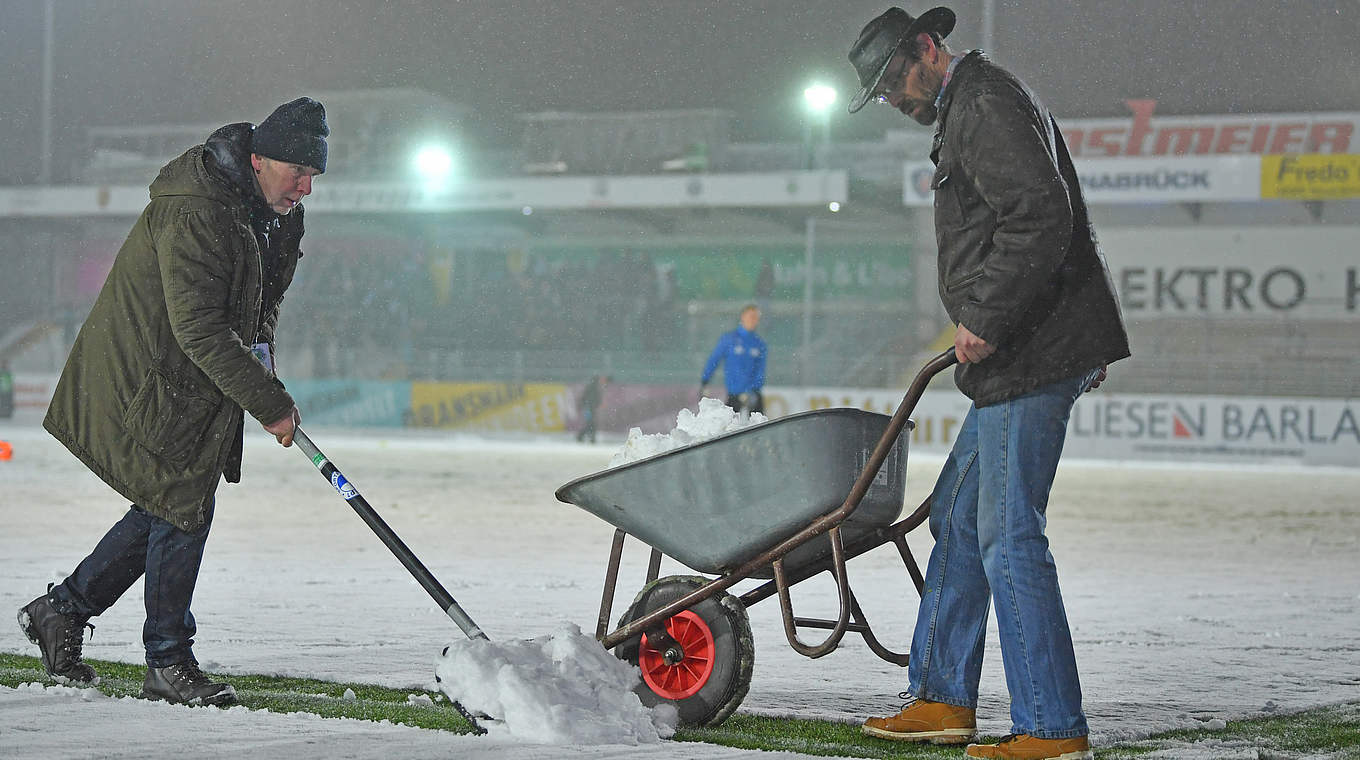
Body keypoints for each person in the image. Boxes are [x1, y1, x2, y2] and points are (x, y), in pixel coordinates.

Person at [847, 8, 1130, 760]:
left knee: (1008, 536)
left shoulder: (981, 103)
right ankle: (942, 696)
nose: (894, 101)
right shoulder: (970, 105)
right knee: (959, 518)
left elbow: (1041, 214)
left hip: (1027, 353)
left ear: (928, 49)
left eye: (894, 81)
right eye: (880, 95)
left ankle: (1050, 726)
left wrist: (987, 317)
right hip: (1021, 352)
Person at [18, 97, 329, 706]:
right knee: (183, 503)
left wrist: (264, 360)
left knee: (171, 503)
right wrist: (267, 400)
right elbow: (200, 329)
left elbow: (258, 303)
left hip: (192, 374)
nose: (306, 188)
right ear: (259, 159)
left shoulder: (273, 212)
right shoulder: (196, 211)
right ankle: (167, 660)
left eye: (314, 176)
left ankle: (62, 609)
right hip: (149, 372)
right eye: (298, 172)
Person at [700, 304, 767, 414]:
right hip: (734, 394)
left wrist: (754, 390)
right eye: (750, 316)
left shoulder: (759, 344)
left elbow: (760, 370)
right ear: (743, 317)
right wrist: (705, 380)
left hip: (753, 394)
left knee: (760, 426)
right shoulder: (730, 339)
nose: (753, 320)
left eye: (756, 318)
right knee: (730, 426)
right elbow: (714, 360)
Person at [576, 374, 610, 443]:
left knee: (590, 423)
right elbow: (595, 398)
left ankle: (584, 436)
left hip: (589, 408)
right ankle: (587, 437)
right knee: (591, 423)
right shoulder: (595, 388)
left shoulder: (591, 387)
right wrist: (596, 404)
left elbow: (584, 397)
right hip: (590, 408)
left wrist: (583, 405)